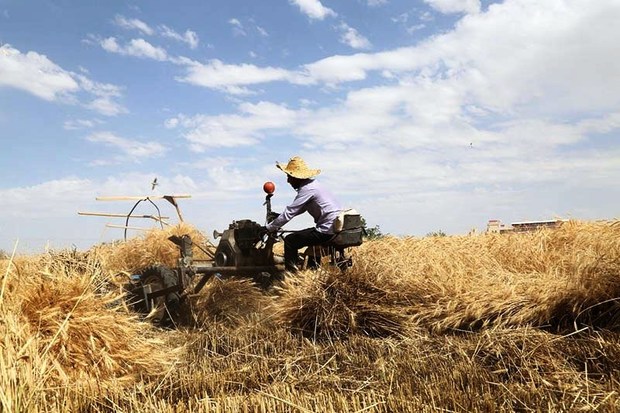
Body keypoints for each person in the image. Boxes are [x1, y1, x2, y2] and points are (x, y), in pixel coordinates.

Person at [265, 156, 342, 272]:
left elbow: (290, 212)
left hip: (326, 229)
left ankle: (290, 277)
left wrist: (269, 228)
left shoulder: (307, 189)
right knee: (312, 244)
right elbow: (299, 209)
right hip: (333, 227)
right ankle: (312, 273)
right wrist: (279, 217)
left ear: (296, 177)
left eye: (289, 177)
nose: (288, 180)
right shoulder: (314, 185)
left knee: (290, 240)